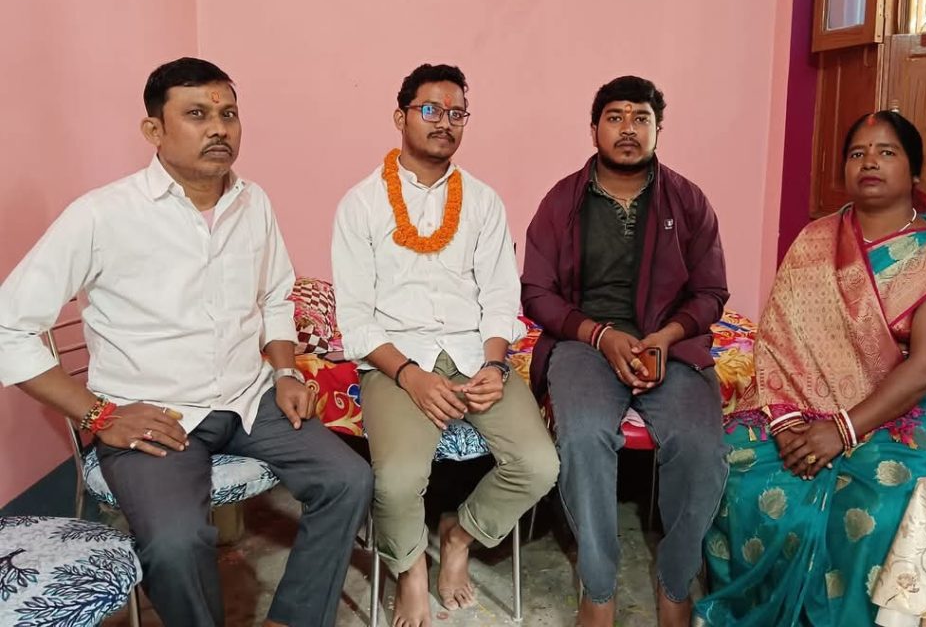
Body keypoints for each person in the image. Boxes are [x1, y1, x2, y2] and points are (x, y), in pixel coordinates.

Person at [0, 58, 373, 627]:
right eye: (197, 114)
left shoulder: (254, 202)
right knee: (175, 543)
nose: (219, 128)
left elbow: (275, 296)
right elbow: (9, 327)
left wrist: (285, 373)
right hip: (152, 414)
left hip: (250, 398)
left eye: (229, 114)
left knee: (349, 479)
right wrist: (100, 415)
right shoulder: (101, 216)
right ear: (154, 129)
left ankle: (293, 619)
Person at [696, 111, 926, 627]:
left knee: (872, 505)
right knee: (728, 464)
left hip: (903, 415)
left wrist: (842, 430)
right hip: (803, 403)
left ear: (915, 172)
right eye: (857, 153)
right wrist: (786, 420)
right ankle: (749, 611)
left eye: (886, 151)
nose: (869, 161)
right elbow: (778, 336)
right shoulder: (816, 240)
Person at [331, 63, 558, 627]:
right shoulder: (361, 204)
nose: (445, 122)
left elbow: (501, 296)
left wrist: (496, 365)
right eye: (430, 109)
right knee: (397, 480)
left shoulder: (483, 201)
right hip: (395, 361)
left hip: (475, 354)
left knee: (539, 464)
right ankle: (410, 570)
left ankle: (460, 535)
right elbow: (355, 318)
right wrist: (410, 376)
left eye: (457, 113)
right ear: (400, 116)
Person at [521, 75, 730, 627]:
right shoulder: (562, 201)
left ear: (659, 129)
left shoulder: (688, 201)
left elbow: (711, 292)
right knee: (584, 437)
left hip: (669, 344)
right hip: (585, 342)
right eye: (615, 117)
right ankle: (598, 589)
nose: (628, 129)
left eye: (641, 118)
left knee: (702, 449)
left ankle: (676, 584)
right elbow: (537, 292)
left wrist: (666, 337)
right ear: (594, 129)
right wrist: (599, 336)